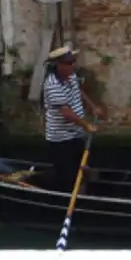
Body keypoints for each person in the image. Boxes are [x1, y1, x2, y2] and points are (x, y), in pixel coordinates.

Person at [43, 46, 104, 191]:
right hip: (61, 140)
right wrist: (86, 125)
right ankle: (67, 198)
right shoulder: (52, 85)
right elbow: (66, 113)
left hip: (76, 135)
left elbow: (79, 91)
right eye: (69, 63)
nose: (73, 65)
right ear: (58, 65)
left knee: (82, 168)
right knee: (67, 178)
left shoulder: (71, 76)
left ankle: (83, 191)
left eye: (73, 62)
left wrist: (92, 107)